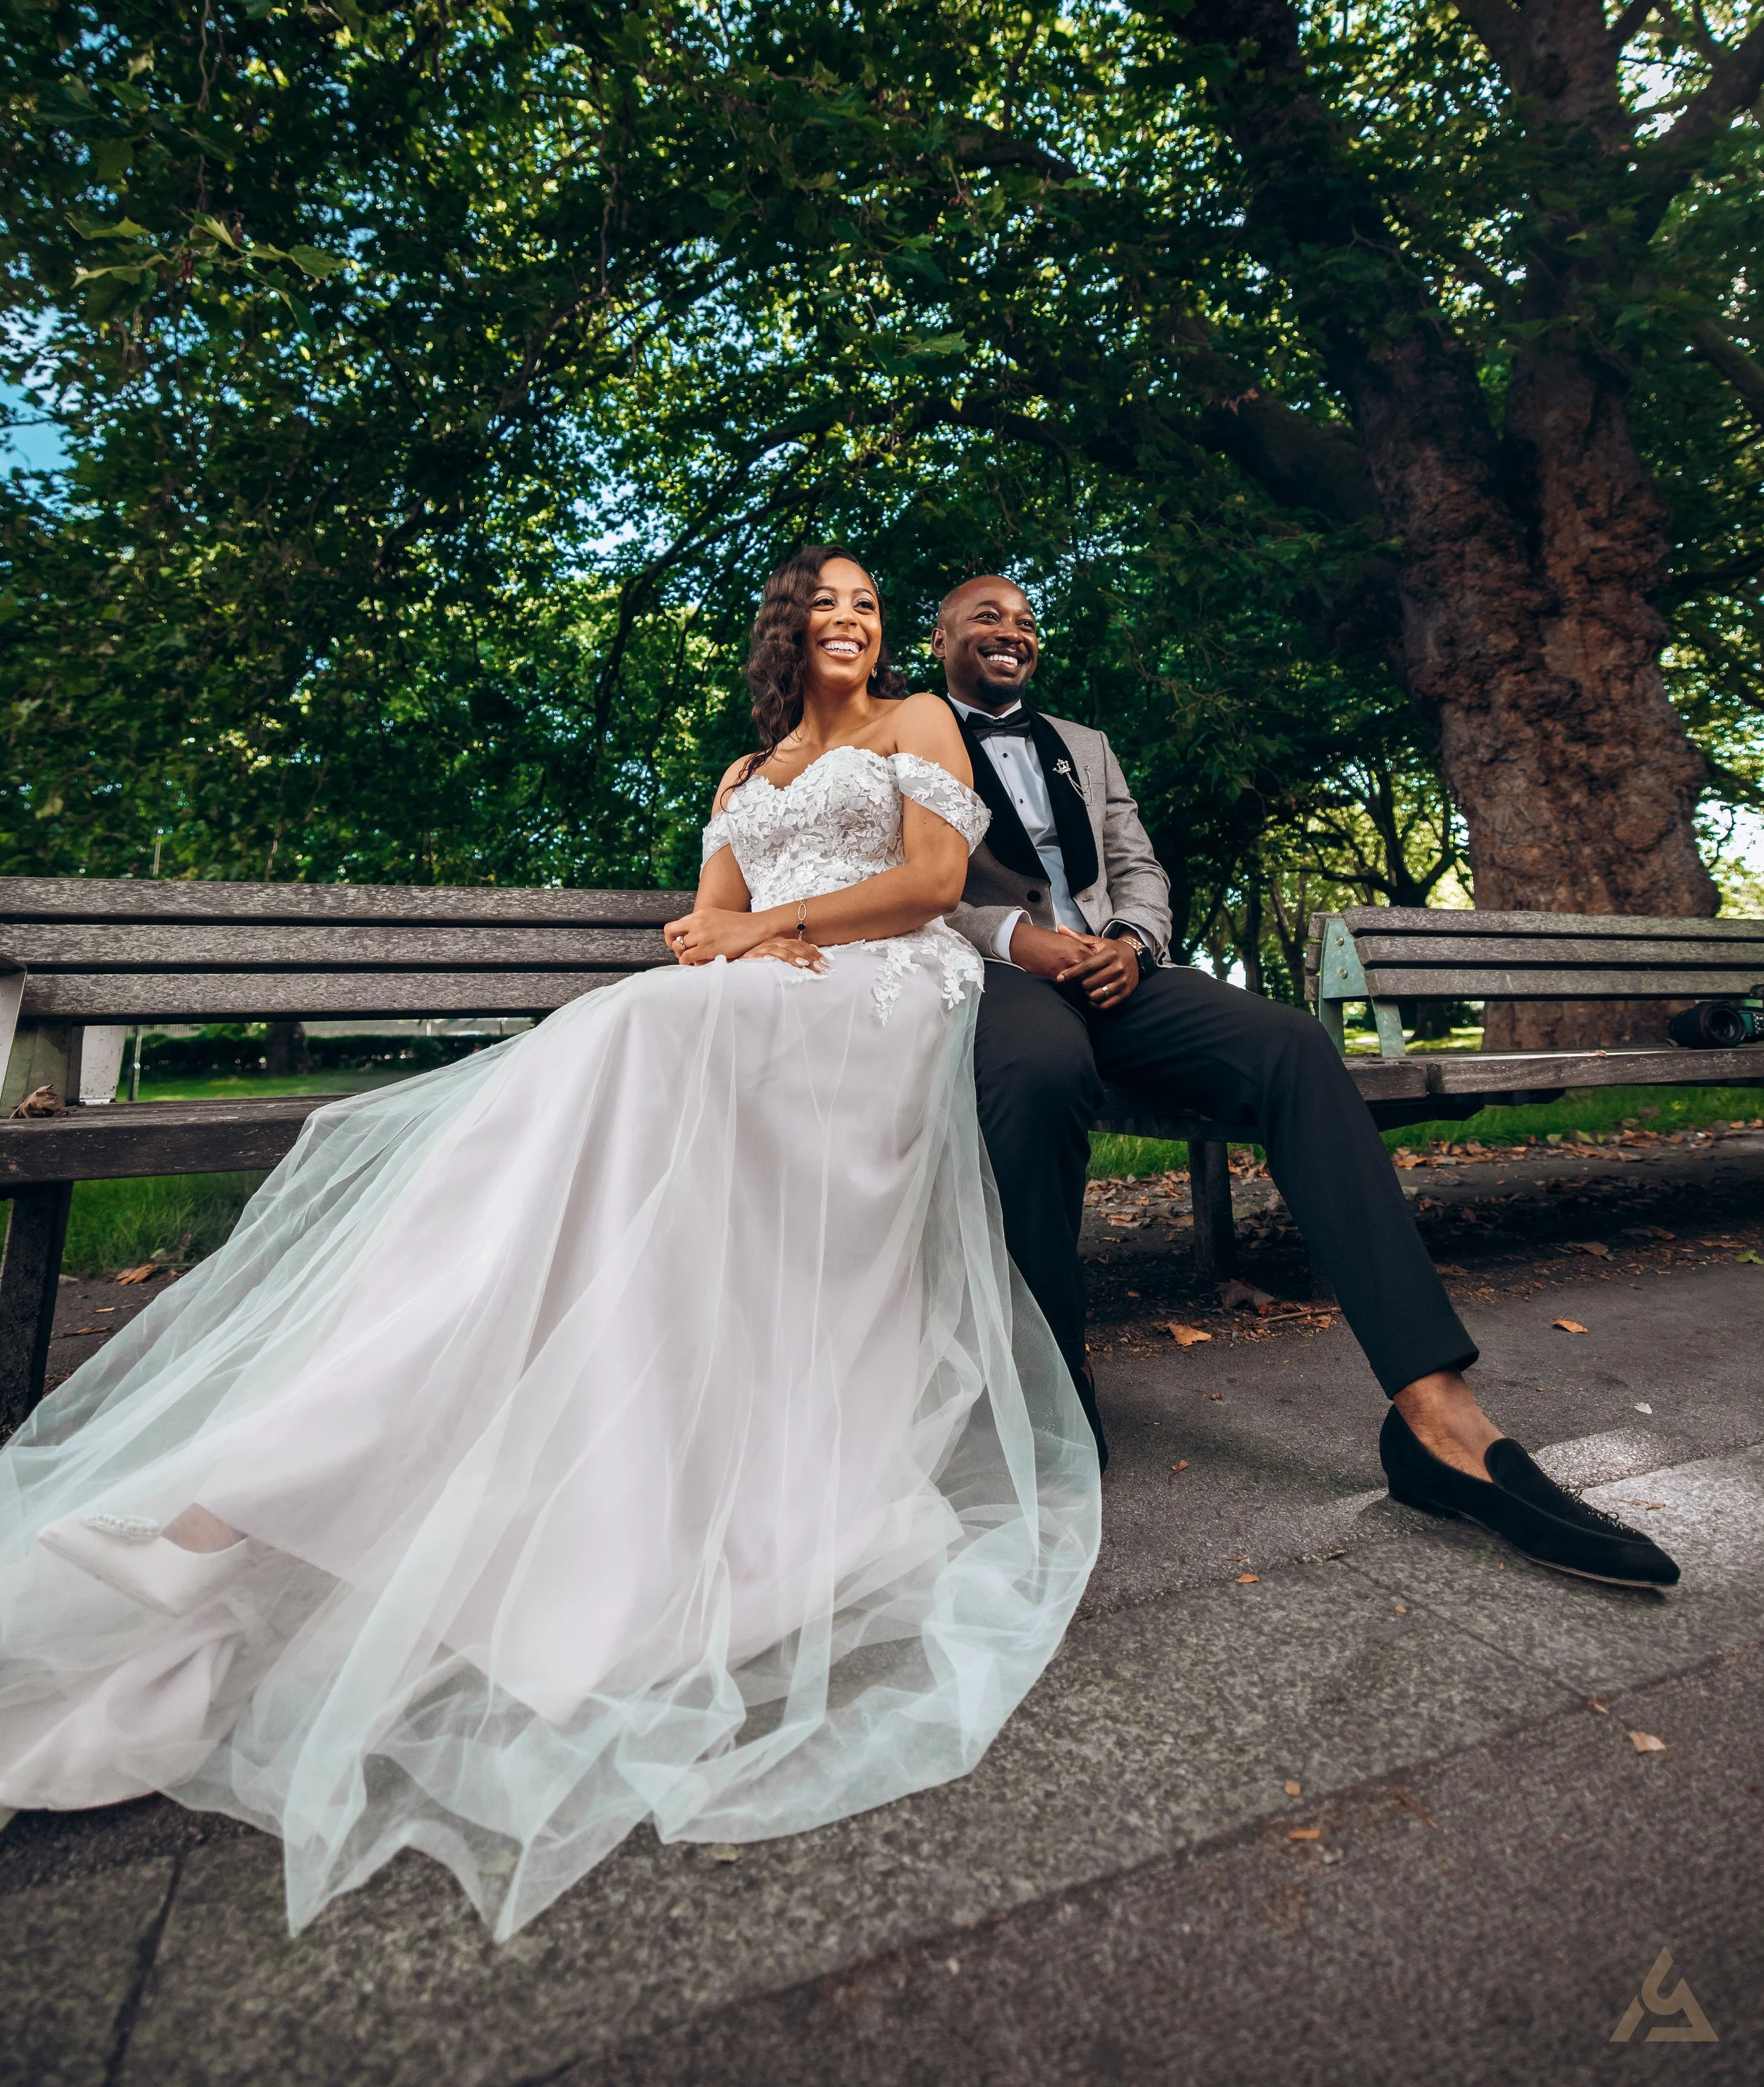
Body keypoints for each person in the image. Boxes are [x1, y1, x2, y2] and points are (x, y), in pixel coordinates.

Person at [0, 549, 1100, 1940]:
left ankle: (305, 1459)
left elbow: (934, 881)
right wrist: (729, 931)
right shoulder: (743, 777)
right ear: (784, 629)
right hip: (764, 996)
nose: (848, 619)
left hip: (881, 999)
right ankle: (314, 1449)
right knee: (624, 1035)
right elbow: (701, 919)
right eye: (821, 603)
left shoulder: (915, 728)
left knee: (625, 1029)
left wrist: (767, 925)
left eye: (867, 604)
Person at [933, 572, 1679, 1589]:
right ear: (940, 637)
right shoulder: (906, 731)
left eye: (1025, 622)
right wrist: (1023, 940)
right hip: (1005, 980)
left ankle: (1437, 1419)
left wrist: (1131, 941)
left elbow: (1139, 866)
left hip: (1119, 978)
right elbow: (908, 888)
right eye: (988, 618)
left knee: (1292, 1045)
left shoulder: (1086, 746)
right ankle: (1051, 1389)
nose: (1011, 632)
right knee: (1040, 1070)